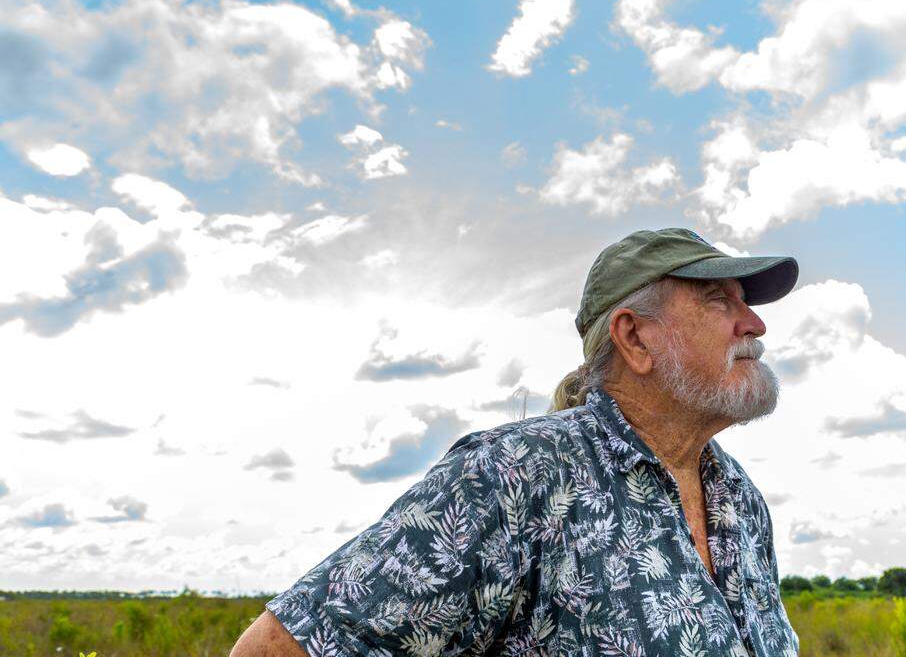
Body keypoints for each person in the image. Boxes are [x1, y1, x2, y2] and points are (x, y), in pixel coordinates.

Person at [230, 227, 801, 656]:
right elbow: (278, 650)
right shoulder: (514, 475)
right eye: (717, 300)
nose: (754, 324)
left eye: (744, 302)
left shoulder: (739, 499)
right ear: (634, 338)